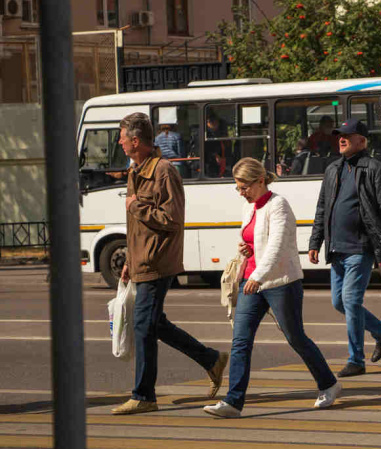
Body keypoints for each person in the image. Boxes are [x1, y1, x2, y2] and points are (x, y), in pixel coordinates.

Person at [111, 113, 228, 415]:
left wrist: (136, 205)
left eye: (122, 138)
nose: (120, 142)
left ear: (135, 141)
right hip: (142, 259)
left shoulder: (163, 172)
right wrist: (128, 257)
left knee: (143, 326)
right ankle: (210, 359)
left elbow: (171, 220)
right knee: (153, 323)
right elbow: (136, 225)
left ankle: (144, 395)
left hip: (158, 260)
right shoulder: (137, 170)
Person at [204, 158, 340, 418]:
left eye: (245, 187)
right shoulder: (249, 206)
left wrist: (258, 275)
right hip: (251, 281)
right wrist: (245, 249)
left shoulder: (279, 205)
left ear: (261, 181)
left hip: (281, 282)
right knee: (241, 341)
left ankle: (329, 384)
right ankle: (233, 402)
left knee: (295, 337)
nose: (241, 193)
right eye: (238, 188)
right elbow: (254, 239)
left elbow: (277, 246)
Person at [308, 118, 381, 377]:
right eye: (339, 135)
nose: (341, 139)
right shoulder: (332, 169)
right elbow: (322, 208)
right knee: (339, 303)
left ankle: (356, 360)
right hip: (336, 249)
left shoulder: (374, 169)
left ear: (362, 140)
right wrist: (315, 242)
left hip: (360, 248)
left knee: (350, 300)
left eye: (347, 135)